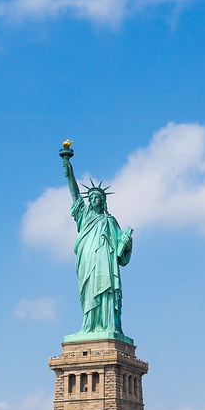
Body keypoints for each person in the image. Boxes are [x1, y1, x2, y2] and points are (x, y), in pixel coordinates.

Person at [61, 142, 133, 338]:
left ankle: (109, 326)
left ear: (103, 201)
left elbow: (121, 250)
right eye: (91, 198)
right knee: (89, 290)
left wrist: (126, 243)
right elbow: (75, 193)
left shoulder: (110, 221)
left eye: (97, 198)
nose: (93, 200)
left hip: (105, 264)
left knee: (106, 291)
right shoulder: (83, 216)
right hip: (87, 260)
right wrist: (69, 170)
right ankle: (89, 325)